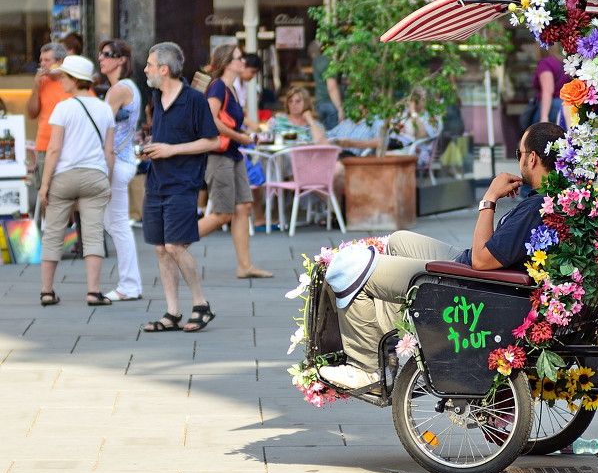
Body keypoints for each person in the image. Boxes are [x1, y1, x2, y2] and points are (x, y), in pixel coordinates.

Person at [317, 123, 565, 390]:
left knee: (349, 267)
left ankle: (367, 369)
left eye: (519, 153)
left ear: (532, 158)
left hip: (472, 283)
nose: (518, 160)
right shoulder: (553, 198)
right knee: (400, 240)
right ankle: (389, 341)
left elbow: (482, 261)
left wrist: (490, 199)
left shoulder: (536, 208)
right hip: (477, 269)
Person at [140, 42, 221, 333]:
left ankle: (201, 305)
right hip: (156, 182)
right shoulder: (156, 96)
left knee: (175, 245)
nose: (145, 69)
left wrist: (172, 150)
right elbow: (164, 138)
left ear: (164, 68)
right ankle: (172, 312)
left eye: (149, 64)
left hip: (183, 184)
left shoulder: (194, 100)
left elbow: (213, 141)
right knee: (162, 248)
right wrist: (150, 149)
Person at [37, 56, 115, 307]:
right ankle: (94, 292)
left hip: (65, 176)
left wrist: (44, 183)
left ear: (74, 79)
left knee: (53, 234)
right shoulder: (104, 108)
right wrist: (108, 182)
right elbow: (109, 152)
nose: (60, 80)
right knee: (93, 235)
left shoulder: (63, 107)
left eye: (63, 76)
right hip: (95, 176)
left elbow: (54, 149)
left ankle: (47, 292)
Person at [196, 44, 273, 279]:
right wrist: (241, 137)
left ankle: (245, 265)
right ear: (228, 63)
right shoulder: (218, 86)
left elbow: (231, 121)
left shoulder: (230, 88)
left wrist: (247, 135)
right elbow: (211, 118)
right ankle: (176, 243)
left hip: (232, 154)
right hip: (219, 155)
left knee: (243, 207)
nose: (244, 62)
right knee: (223, 214)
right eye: (240, 58)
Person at [97, 39, 143, 301]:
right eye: (101, 54)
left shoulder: (119, 90)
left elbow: (103, 127)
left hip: (116, 162)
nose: (101, 58)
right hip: (122, 161)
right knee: (113, 224)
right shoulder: (126, 88)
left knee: (118, 226)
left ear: (121, 60)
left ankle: (129, 285)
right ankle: (130, 283)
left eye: (107, 54)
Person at [26, 42, 70, 200]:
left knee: (68, 191)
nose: (42, 65)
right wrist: (36, 87)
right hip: (45, 145)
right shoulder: (43, 82)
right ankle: (49, 225)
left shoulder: (72, 82)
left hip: (70, 146)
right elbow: (31, 113)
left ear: (60, 62)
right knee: (47, 194)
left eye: (46, 60)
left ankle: (71, 224)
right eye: (41, 61)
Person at [308, 41, 343, 130]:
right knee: (334, 136)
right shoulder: (328, 63)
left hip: (320, 103)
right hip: (331, 104)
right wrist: (339, 108)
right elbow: (331, 86)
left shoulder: (316, 61)